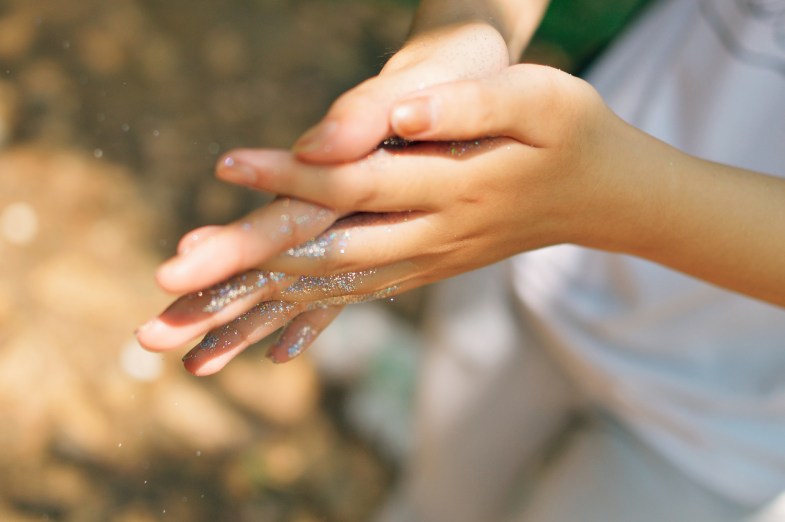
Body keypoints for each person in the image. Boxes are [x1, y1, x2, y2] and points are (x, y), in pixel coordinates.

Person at [137, 0, 785, 520]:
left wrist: (602, 200)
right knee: (435, 499)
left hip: (735, 418)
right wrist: (456, 38)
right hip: (533, 250)